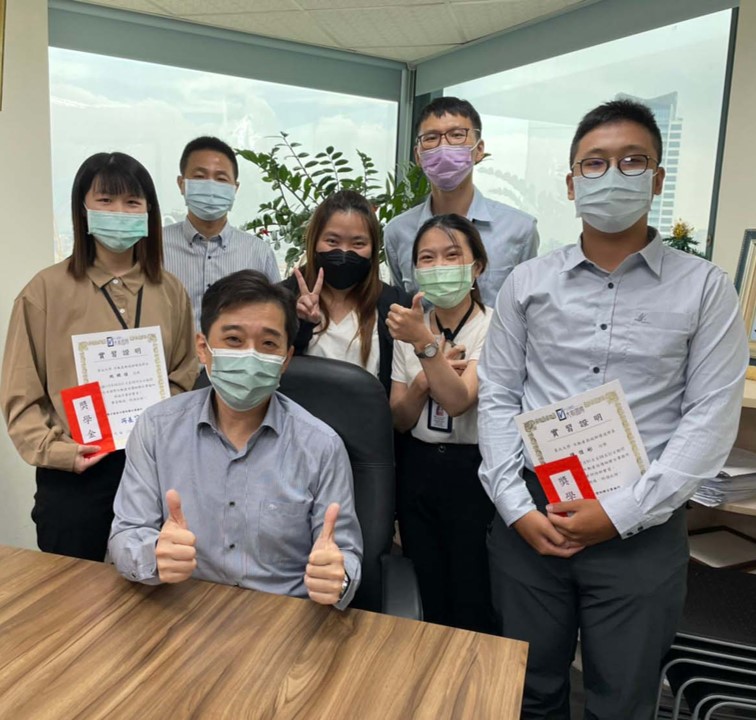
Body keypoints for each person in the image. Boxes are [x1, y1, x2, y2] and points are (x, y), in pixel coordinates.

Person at [478, 99, 749, 719]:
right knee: (526, 691)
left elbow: (709, 418)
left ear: (656, 179)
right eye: (595, 163)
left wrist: (621, 513)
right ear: (573, 183)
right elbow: (497, 396)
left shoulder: (705, 288)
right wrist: (516, 508)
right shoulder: (528, 282)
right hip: (533, 512)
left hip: (642, 524)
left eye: (632, 161)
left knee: (623, 700)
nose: (613, 175)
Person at [108, 270, 362, 609]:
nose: (250, 355)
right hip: (182, 611)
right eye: (233, 340)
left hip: (283, 618)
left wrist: (337, 578)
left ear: (285, 359)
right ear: (203, 348)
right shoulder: (156, 428)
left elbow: (344, 553)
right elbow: (126, 534)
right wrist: (153, 554)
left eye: (268, 344)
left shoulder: (321, 446)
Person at [0, 152, 197, 562]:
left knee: (156, 585)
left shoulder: (170, 291)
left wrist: (161, 430)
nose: (119, 212)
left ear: (148, 211)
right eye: (105, 200)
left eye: (132, 202)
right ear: (83, 208)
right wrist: (60, 453)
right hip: (77, 474)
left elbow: (184, 374)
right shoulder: (44, 291)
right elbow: (20, 395)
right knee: (72, 594)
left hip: (154, 471)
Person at [388, 214, 495, 633]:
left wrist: (425, 347)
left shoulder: (493, 325)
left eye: (452, 256)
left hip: (472, 472)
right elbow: (400, 417)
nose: (439, 267)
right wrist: (422, 379)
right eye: (427, 258)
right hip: (419, 467)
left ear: (477, 266)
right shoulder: (411, 325)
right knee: (425, 587)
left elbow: (459, 400)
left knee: (472, 590)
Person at [384, 97, 539, 307]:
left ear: (479, 149)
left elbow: (527, 309)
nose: (443, 146)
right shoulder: (397, 231)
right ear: (418, 156)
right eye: (431, 138)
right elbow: (403, 305)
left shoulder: (519, 229)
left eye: (457, 135)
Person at [282, 190, 409, 394]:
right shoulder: (281, 299)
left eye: (358, 244)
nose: (343, 252)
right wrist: (301, 325)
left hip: (369, 414)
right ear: (314, 242)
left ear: (373, 248)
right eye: (332, 241)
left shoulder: (395, 305)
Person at [163, 136, 280, 333]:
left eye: (221, 179)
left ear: (235, 188)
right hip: (171, 354)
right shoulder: (154, 247)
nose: (210, 186)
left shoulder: (259, 253)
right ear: (182, 184)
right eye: (200, 177)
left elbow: (277, 318)